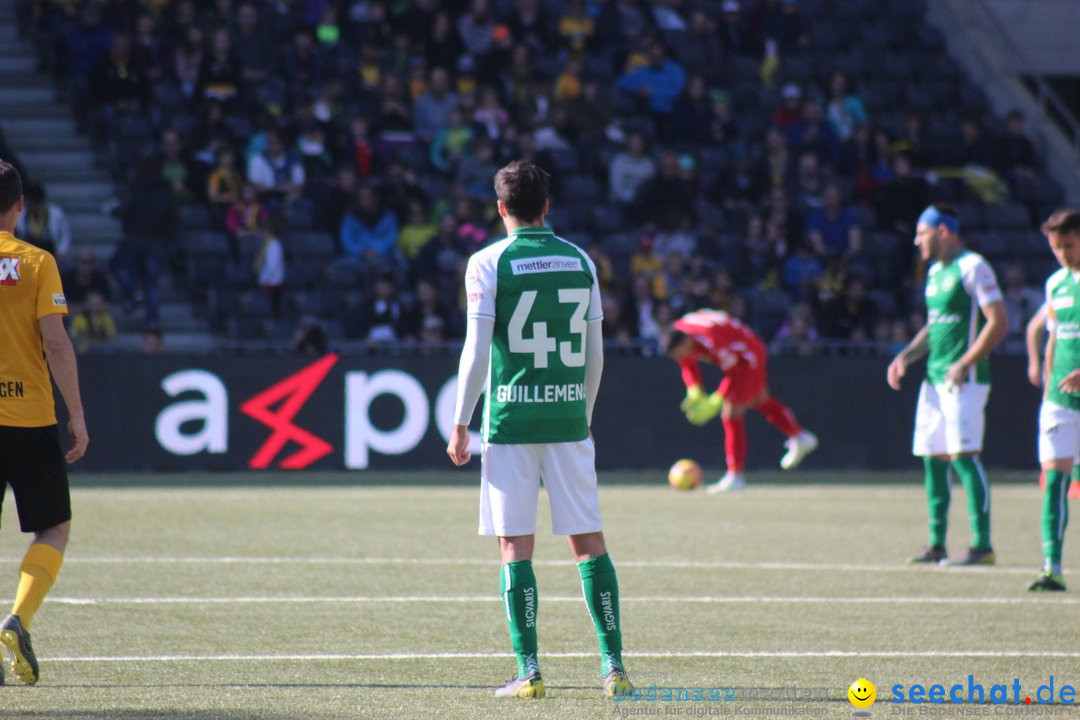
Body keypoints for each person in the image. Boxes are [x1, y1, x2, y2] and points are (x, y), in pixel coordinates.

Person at [446, 161, 632, 700]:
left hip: (510, 422)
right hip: (569, 419)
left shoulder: (486, 263)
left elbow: (477, 350)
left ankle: (529, 672)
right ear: (547, 206)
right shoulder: (581, 261)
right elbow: (596, 353)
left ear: (501, 208)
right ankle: (613, 667)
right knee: (589, 542)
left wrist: (461, 423)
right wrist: (584, 418)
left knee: (514, 546)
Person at [0, 160, 89, 685]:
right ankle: (17, 619)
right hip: (29, 417)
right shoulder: (36, 262)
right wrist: (76, 414)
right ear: (20, 206)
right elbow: (55, 342)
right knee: (53, 526)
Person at [887, 205, 1008, 566]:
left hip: (965, 380)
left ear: (943, 231)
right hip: (934, 381)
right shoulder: (935, 272)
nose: (916, 240)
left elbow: (998, 322)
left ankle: (982, 546)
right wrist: (905, 357)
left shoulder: (974, 267)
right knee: (933, 460)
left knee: (964, 459)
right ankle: (936, 544)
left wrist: (965, 362)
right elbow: (934, 325)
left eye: (921, 232)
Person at [665, 309, 818, 493]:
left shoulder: (712, 342)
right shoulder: (680, 331)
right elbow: (687, 362)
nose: (678, 359)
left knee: (731, 413)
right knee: (760, 400)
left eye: (678, 354)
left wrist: (716, 400)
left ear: (686, 342)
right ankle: (800, 436)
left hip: (748, 357)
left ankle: (735, 476)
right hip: (744, 348)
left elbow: (735, 373)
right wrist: (694, 389)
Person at [1027, 209, 1080, 591]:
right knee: (1055, 480)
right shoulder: (1055, 284)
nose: (1062, 253)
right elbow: (1054, 338)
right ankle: (1051, 567)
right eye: (1056, 247)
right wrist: (1048, 387)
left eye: (1069, 245)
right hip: (1060, 401)